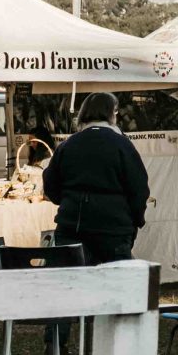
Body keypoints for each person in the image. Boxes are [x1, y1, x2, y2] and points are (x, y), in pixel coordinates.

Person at [41, 93, 148, 266]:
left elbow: (51, 188)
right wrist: (134, 222)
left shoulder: (67, 146)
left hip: (72, 229)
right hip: (114, 231)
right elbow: (139, 189)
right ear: (111, 114)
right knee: (114, 288)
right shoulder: (122, 145)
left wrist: (72, 201)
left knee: (75, 288)